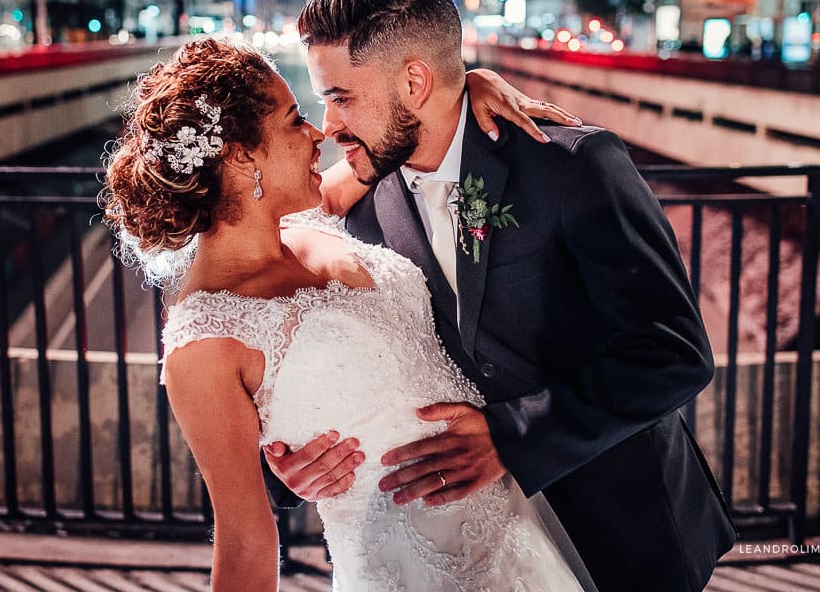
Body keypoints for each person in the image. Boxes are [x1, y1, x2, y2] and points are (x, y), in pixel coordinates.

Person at [265, 0, 738, 592]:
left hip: (621, 524)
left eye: (342, 97)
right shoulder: (370, 204)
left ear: (413, 81)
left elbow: (675, 353)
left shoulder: (572, 167)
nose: (329, 127)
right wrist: (288, 474)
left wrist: (512, 438)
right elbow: (366, 358)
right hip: (484, 548)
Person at [101, 37, 597, 591]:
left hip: (518, 534)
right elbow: (245, 539)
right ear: (242, 157)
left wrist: (466, 84)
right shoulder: (203, 343)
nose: (319, 134)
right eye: (294, 122)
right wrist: (283, 467)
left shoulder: (316, 215)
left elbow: (399, 141)